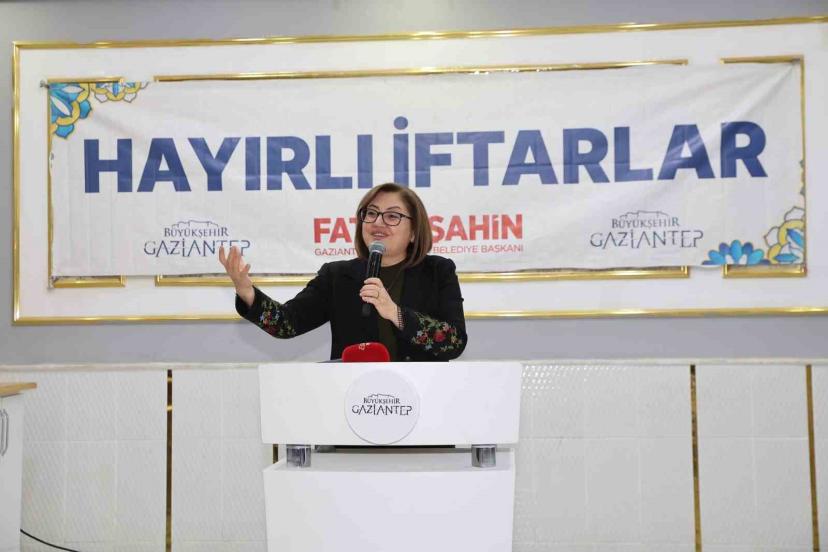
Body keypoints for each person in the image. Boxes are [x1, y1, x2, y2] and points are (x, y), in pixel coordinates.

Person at [219, 182, 467, 361]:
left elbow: (454, 342)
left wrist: (395, 313)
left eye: (392, 216)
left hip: (422, 398)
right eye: (371, 213)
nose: (378, 222)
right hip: (355, 400)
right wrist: (246, 292)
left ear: (414, 232)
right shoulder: (338, 276)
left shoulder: (438, 271)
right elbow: (286, 324)